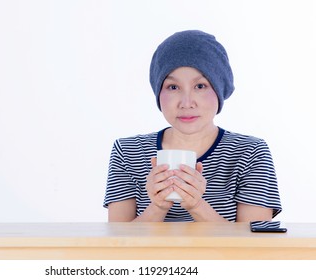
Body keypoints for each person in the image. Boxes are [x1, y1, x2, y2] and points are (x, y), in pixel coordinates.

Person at [103, 30, 282, 222]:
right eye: (173, 87)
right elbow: (117, 244)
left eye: (200, 86)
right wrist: (158, 206)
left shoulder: (251, 152)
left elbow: (254, 246)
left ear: (220, 89)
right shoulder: (128, 152)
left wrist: (197, 205)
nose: (186, 103)